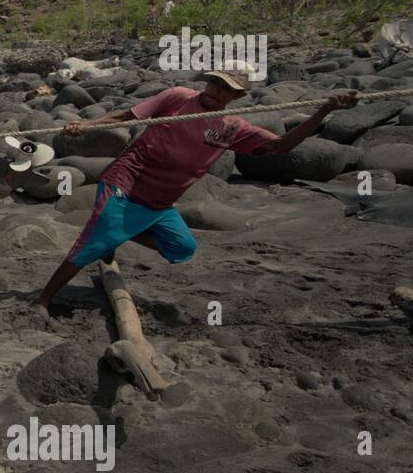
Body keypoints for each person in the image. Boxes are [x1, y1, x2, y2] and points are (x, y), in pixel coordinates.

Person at [32, 65, 360, 312]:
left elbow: (282, 145)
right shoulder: (177, 98)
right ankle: (43, 299)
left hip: (160, 201)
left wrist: (325, 109)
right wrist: (86, 125)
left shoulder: (233, 127)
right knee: (92, 241)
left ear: (237, 97)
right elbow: (125, 114)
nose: (215, 90)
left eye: (225, 88)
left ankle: (115, 235)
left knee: (181, 248)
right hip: (126, 181)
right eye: (213, 82)